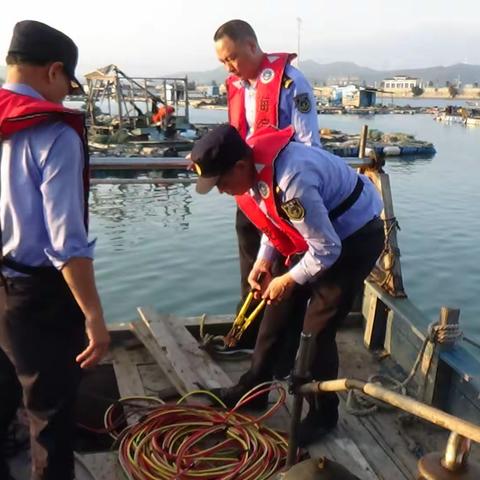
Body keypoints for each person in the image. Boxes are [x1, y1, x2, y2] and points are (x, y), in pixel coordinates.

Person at [191, 124, 385, 447]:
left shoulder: (292, 182)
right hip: (316, 234)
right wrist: (263, 262)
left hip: (354, 238)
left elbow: (328, 249)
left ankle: (324, 414)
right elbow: (274, 217)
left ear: (239, 166)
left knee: (316, 331)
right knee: (277, 311)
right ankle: (254, 390)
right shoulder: (254, 166)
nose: (222, 191)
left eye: (222, 183)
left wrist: (288, 279)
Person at [0, 20, 110, 480]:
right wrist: (93, 317)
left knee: (3, 392)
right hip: (36, 296)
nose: (65, 95)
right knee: (50, 413)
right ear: (54, 71)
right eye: (68, 84)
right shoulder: (54, 134)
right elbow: (66, 244)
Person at [213, 19, 321, 307]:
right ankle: (248, 335)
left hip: (284, 193)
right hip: (250, 195)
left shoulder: (291, 82)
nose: (228, 67)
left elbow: (310, 146)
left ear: (251, 45)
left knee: (285, 273)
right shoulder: (236, 86)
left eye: (232, 57)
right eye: (223, 61)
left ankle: (280, 340)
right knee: (252, 266)